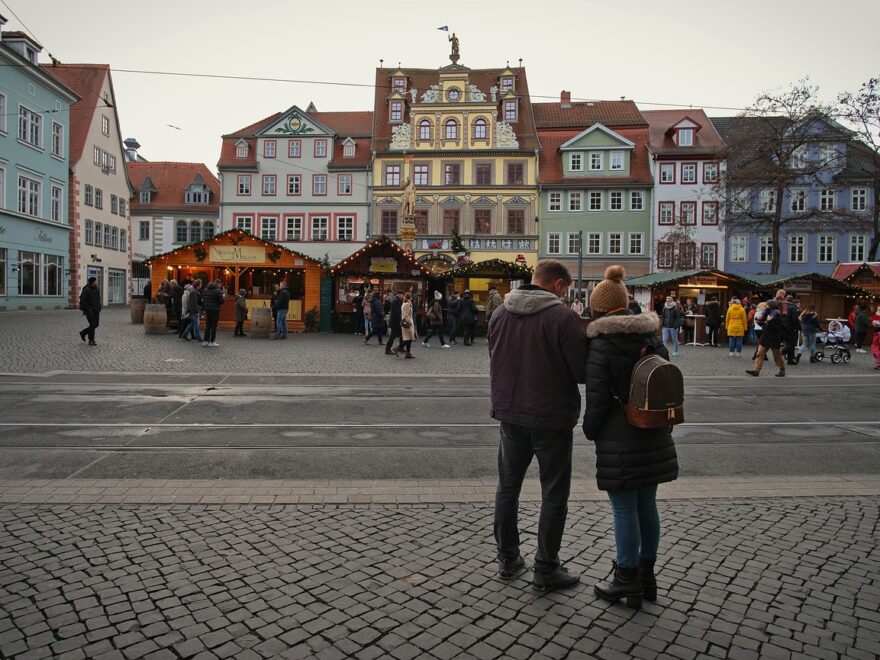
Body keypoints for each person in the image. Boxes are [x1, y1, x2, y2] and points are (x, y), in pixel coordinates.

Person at [583, 265, 678, 610]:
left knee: (623, 508)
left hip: (619, 434)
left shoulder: (601, 344)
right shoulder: (651, 337)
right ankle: (647, 575)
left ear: (599, 309)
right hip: (653, 428)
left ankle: (626, 576)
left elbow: (596, 400)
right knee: (647, 505)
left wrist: (590, 430)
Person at [489, 260, 588, 592]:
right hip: (551, 416)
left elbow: (494, 356)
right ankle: (545, 567)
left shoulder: (500, 313)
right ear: (558, 285)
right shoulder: (562, 317)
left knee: (507, 489)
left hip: (510, 412)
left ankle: (507, 558)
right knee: (554, 493)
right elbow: (581, 371)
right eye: (566, 289)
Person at [746, 300, 786, 377]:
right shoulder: (766, 313)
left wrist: (768, 322)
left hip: (774, 338)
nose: (765, 307)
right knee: (759, 354)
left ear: (771, 306)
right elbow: (761, 321)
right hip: (765, 337)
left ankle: (782, 369)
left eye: (767, 305)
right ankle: (756, 370)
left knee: (777, 356)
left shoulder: (777, 315)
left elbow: (777, 327)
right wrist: (762, 321)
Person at [78, 276, 102, 346]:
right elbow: (83, 301)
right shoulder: (86, 289)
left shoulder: (97, 289)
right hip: (89, 310)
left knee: (96, 324)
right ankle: (91, 340)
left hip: (96, 310)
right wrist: (88, 310)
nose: (97, 282)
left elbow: (98, 299)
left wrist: (99, 307)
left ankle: (83, 332)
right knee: (92, 324)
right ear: (93, 282)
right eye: (96, 281)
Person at [202, 279, 224, 347]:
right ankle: (212, 341)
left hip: (207, 309)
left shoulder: (205, 290)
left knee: (208, 326)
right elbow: (221, 301)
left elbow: (203, 299)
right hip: (215, 310)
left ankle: (205, 341)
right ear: (218, 284)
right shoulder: (218, 291)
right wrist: (222, 297)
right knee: (214, 326)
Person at [782, 295, 801, 364]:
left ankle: (790, 359)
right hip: (792, 329)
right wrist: (799, 327)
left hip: (786, 328)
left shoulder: (785, 307)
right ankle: (783, 352)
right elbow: (795, 319)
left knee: (789, 343)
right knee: (792, 344)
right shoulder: (793, 308)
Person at [385, 290, 404, 356]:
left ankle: (401, 347)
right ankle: (387, 349)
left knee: (401, 334)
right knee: (393, 335)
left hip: (397, 321)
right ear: (399, 294)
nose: (403, 296)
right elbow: (396, 312)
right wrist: (400, 320)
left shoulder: (398, 301)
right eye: (402, 295)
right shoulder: (395, 301)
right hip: (395, 321)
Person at [399, 292, 417, 359]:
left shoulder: (405, 303)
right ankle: (398, 348)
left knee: (409, 338)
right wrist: (409, 323)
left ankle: (408, 353)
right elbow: (405, 315)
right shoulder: (407, 304)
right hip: (407, 323)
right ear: (410, 297)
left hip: (407, 322)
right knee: (409, 338)